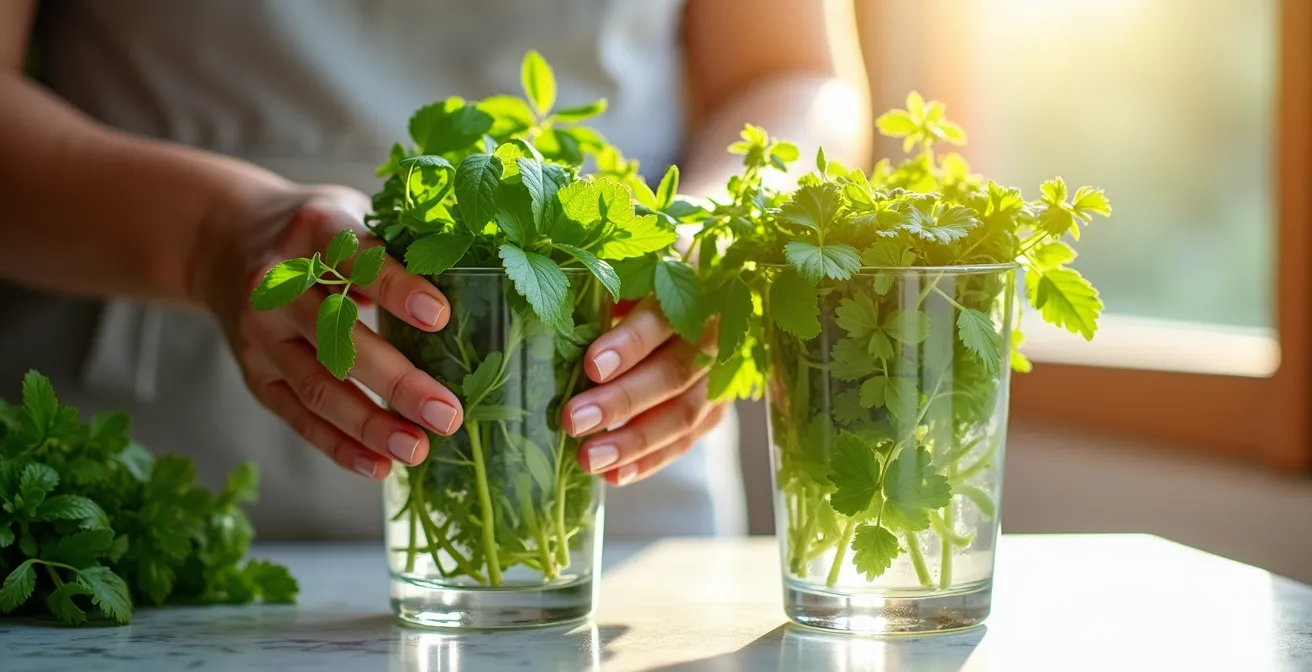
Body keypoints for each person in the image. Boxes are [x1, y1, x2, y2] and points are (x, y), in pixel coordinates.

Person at [0, 0, 871, 540]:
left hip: (607, 462)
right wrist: (212, 236)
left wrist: (699, 242)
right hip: (159, 475)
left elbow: (792, 75)